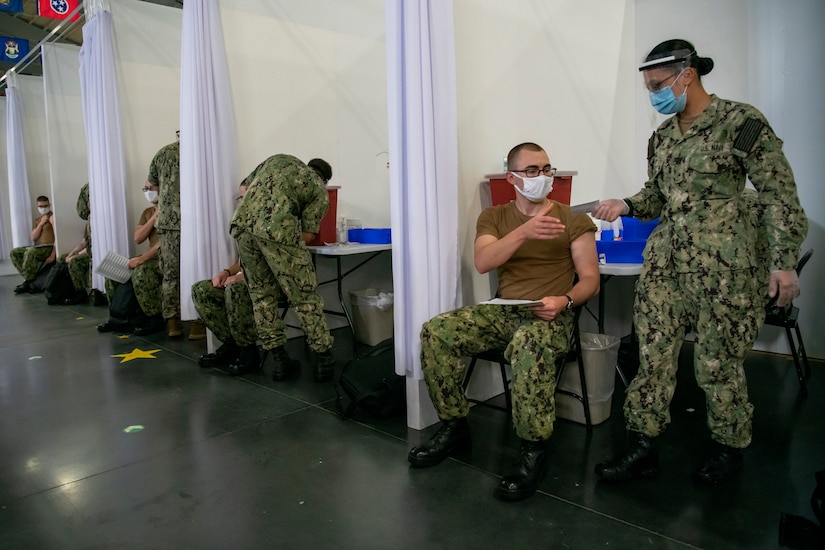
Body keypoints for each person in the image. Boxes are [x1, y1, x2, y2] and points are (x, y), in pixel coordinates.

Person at [591, 39, 808, 486]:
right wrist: (626, 204)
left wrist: (783, 262)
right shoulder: (663, 138)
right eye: (649, 88)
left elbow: (777, 193)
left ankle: (728, 448)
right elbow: (657, 196)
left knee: (717, 362)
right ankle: (642, 445)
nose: (655, 95)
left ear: (687, 74)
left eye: (659, 85)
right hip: (666, 265)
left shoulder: (740, 122)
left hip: (725, 268)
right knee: (651, 357)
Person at [407, 142, 600, 502]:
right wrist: (524, 231)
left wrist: (565, 300)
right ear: (511, 177)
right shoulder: (493, 216)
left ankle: (533, 448)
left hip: (549, 313)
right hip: (504, 310)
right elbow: (484, 261)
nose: (542, 177)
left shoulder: (573, 219)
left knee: (529, 342)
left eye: (546, 169)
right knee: (437, 330)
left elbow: (590, 277)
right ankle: (454, 426)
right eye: (531, 171)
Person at [229, 155, 336, 383]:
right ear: (324, 179)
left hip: (242, 226)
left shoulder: (279, 160)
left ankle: (279, 360)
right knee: (304, 296)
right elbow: (307, 235)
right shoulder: (319, 190)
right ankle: (323, 360)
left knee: (261, 296)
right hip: (277, 231)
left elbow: (243, 188)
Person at [193, 182, 260, 375]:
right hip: (243, 277)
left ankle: (248, 350)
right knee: (202, 290)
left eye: (244, 197)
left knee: (235, 290)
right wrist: (227, 272)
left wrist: (240, 278)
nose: (241, 202)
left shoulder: (270, 224)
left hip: (263, 283)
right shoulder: (244, 224)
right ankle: (232, 343)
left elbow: (269, 265)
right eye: (240, 198)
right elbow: (244, 260)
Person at [147, 131, 206, 340]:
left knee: (171, 274)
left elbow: (152, 185)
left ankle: (173, 322)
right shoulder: (202, 150)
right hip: (196, 222)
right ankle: (198, 324)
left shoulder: (162, 153)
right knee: (199, 271)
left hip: (168, 222)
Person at [97, 182, 164, 335]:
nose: (148, 192)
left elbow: (166, 242)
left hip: (165, 257)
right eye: (145, 189)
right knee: (113, 273)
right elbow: (138, 238)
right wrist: (154, 216)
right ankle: (119, 318)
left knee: (141, 272)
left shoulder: (171, 208)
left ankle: (154, 318)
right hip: (148, 256)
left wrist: (142, 259)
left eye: (151, 188)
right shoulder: (147, 212)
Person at [11, 195, 56, 294]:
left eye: (45, 206)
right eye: (41, 206)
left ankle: (27, 282)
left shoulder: (53, 217)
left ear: (49, 205)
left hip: (49, 246)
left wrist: (53, 254)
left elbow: (58, 236)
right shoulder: (38, 220)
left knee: (31, 252)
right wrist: (41, 223)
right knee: (15, 252)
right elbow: (33, 237)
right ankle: (30, 280)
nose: (43, 208)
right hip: (40, 247)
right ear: (37, 206)